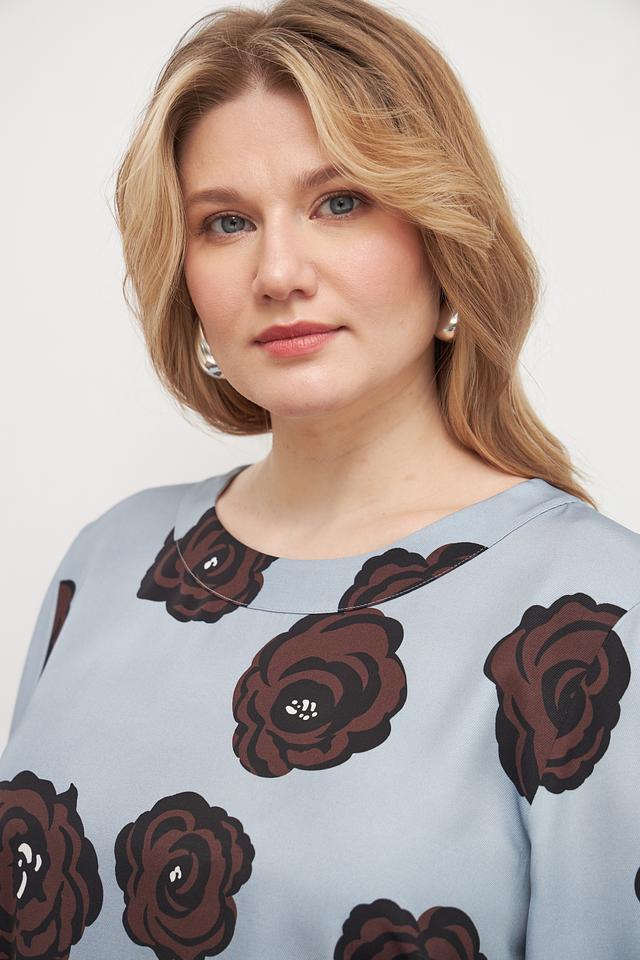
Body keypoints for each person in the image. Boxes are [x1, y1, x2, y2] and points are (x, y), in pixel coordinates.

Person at [1, 0, 639, 956]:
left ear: (444, 236)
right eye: (225, 222)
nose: (278, 272)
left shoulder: (597, 614)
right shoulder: (107, 562)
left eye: (340, 202)